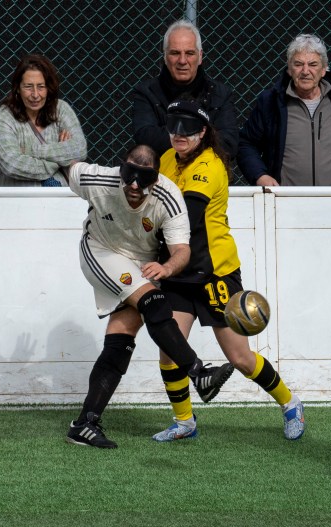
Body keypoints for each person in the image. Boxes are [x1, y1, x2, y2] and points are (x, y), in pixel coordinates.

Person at [153, 100, 304, 442]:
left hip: (213, 272)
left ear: (203, 132)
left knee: (240, 358)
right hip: (177, 272)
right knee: (170, 349)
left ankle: (290, 403)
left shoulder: (209, 165)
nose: (179, 134)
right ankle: (184, 422)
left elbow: (186, 219)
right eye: (174, 125)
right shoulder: (165, 160)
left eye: (188, 128)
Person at [66, 144, 235, 449]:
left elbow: (182, 251)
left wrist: (167, 267)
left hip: (140, 260)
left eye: (143, 179)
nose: (133, 185)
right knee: (154, 302)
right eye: (129, 175)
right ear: (121, 168)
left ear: (156, 179)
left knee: (122, 335)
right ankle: (198, 373)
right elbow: (69, 169)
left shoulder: (169, 199)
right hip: (100, 251)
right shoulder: (97, 179)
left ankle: (84, 424)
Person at [237, 33, 331, 186]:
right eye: (298, 64)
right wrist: (260, 175)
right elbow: (246, 144)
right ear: (289, 69)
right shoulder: (271, 102)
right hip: (286, 200)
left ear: (324, 69)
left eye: (313, 65)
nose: (305, 71)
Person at [131, 20, 239, 156]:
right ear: (165, 56)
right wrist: (198, 134)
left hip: (206, 173)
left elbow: (229, 144)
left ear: (200, 56)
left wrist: (176, 135)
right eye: (175, 53)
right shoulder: (146, 92)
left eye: (189, 53)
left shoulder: (221, 94)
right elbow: (146, 138)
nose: (182, 60)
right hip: (162, 173)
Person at [0, 53, 86, 187]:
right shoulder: (1, 116)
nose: (35, 94)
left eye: (41, 86)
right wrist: (59, 160)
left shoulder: (61, 109)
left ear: (49, 88)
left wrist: (31, 151)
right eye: (28, 86)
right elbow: (11, 165)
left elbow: (79, 149)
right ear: (17, 88)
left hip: (60, 199)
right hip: (15, 201)